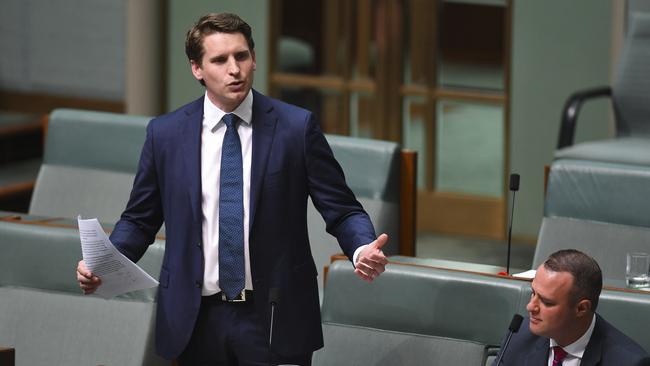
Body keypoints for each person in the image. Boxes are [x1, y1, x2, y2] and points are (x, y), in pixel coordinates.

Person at [76, 12, 388, 365]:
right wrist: (104, 263)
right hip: (195, 318)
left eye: (241, 56)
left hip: (273, 316)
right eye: (220, 60)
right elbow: (139, 219)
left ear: (254, 59)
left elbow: (342, 208)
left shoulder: (295, 128)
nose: (234, 69)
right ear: (197, 68)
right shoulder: (165, 134)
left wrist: (362, 248)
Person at [494, 249, 650, 365]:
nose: (530, 306)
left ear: (581, 308)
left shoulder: (628, 362)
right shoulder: (518, 336)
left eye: (546, 302)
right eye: (533, 293)